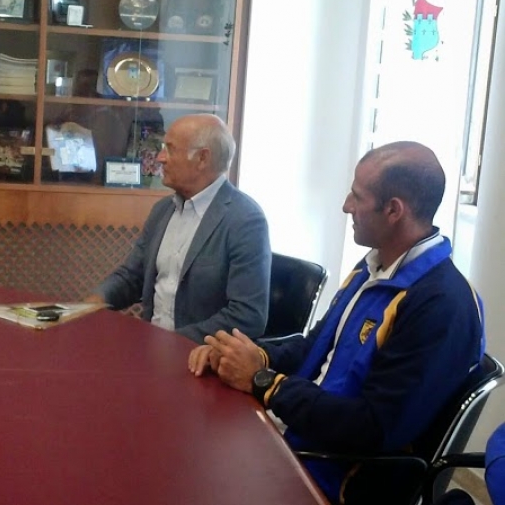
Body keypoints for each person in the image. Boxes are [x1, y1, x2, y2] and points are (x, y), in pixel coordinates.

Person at [189, 141, 486, 504]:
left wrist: (263, 381)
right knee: (187, 439)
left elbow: (373, 428)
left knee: (192, 473)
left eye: (357, 197)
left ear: (393, 210)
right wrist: (243, 354)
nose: (346, 205)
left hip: (336, 477)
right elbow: (314, 347)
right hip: (299, 437)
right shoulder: (373, 266)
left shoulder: (441, 305)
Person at [84, 114, 270, 343]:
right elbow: (132, 276)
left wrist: (171, 342)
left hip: (198, 354)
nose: (160, 158)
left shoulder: (245, 220)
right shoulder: (162, 210)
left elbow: (248, 316)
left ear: (202, 158)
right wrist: (91, 304)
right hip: (150, 346)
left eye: (170, 149)